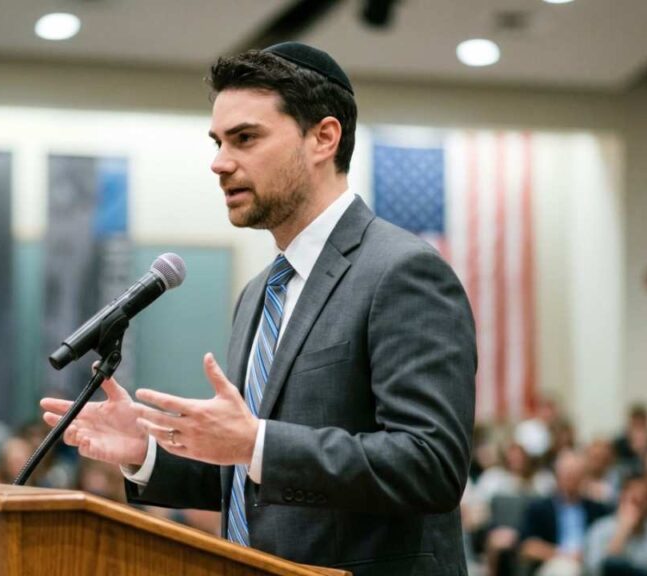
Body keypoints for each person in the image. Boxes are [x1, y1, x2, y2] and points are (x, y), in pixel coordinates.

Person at [41, 42, 477, 574]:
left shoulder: (402, 271)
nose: (220, 163)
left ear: (323, 137)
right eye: (218, 141)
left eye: (245, 138)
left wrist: (257, 442)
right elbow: (256, 476)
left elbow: (430, 465)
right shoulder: (259, 293)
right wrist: (146, 450)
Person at [519, 451, 610, 576]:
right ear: (557, 477)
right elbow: (528, 547)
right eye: (567, 475)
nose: (571, 481)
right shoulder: (539, 508)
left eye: (576, 476)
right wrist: (565, 555)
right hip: (553, 563)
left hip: (589, 564)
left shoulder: (597, 509)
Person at [584, 474, 647, 576]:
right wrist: (622, 532)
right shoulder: (600, 529)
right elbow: (597, 571)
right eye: (633, 500)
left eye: (642, 501)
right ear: (621, 500)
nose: (637, 507)